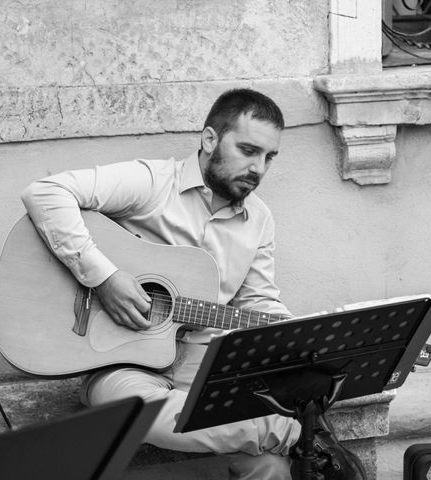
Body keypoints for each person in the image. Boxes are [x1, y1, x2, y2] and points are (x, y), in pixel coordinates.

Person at [21, 89, 303, 479]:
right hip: (122, 362)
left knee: (270, 468)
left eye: (268, 157)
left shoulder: (259, 218)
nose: (259, 168)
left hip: (202, 367)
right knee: (134, 410)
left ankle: (274, 438)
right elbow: (46, 192)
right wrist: (104, 278)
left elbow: (259, 301)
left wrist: (299, 335)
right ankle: (283, 433)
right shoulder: (153, 183)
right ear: (210, 140)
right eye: (248, 150)